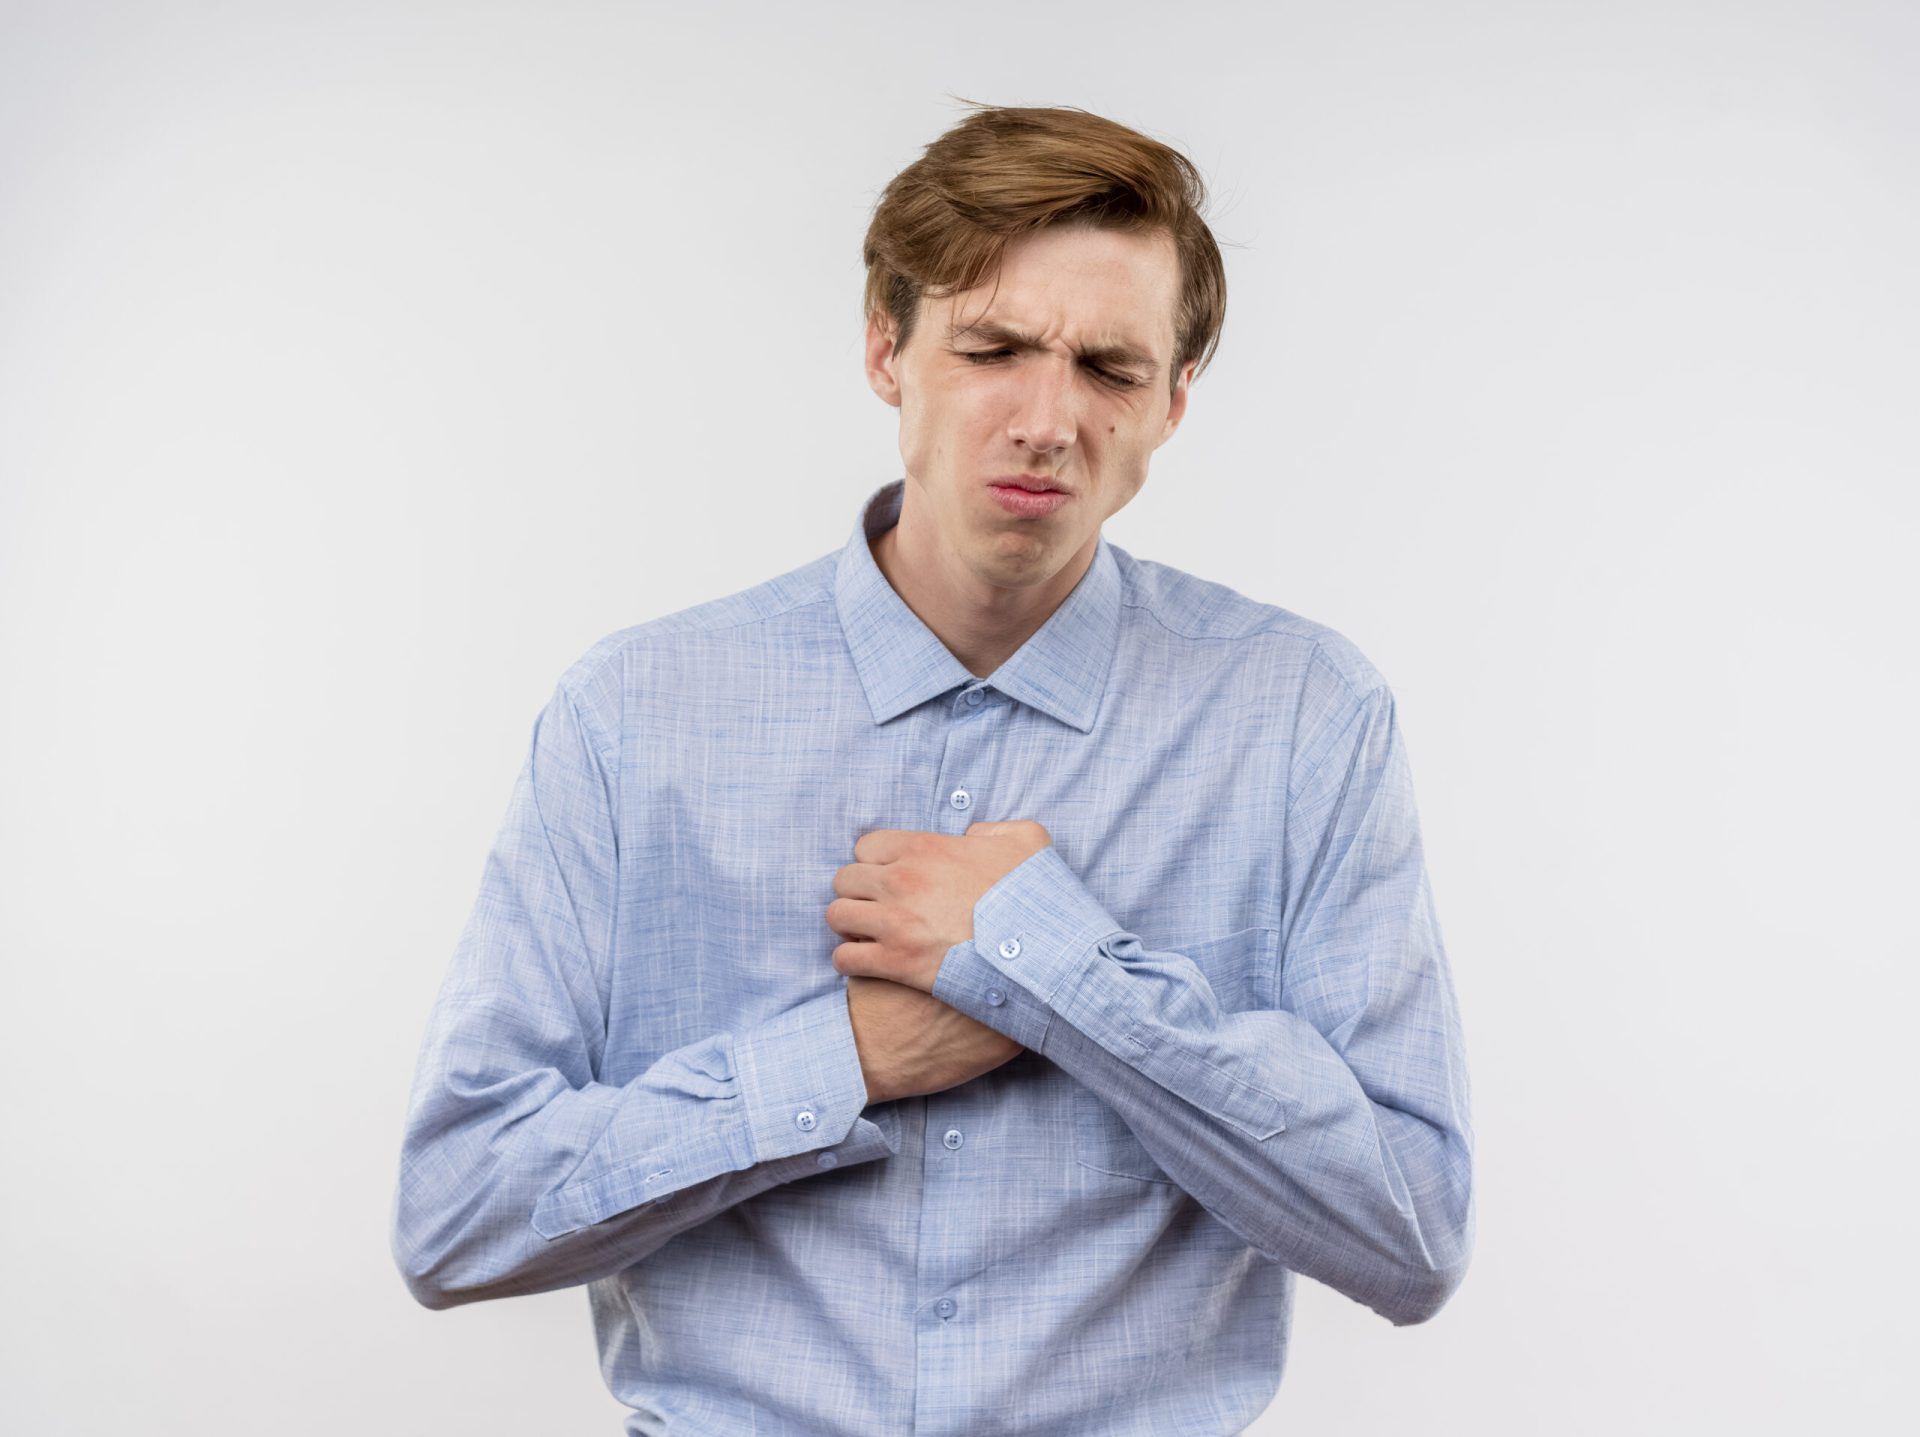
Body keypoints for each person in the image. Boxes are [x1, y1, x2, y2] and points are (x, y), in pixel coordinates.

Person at [390, 102, 1474, 1435]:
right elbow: (456, 1211)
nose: (1048, 417)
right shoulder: (635, 714)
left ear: (1177, 401)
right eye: (993, 348)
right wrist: (843, 1057)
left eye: (1111, 369)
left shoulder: (1306, 718)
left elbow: (1413, 1232)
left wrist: (1050, 962)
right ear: (884, 349)